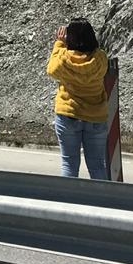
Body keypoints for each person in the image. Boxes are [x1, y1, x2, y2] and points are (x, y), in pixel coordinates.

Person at [45, 18, 110, 179]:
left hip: (69, 114)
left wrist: (59, 44)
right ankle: (101, 202)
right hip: (95, 116)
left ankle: (70, 201)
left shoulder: (63, 58)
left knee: (69, 163)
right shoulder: (100, 58)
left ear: (70, 38)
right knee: (97, 165)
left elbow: (51, 70)